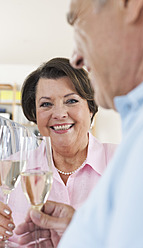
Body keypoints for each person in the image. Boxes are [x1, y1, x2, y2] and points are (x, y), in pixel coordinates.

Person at [15, 0, 143, 247]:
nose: (77, 57)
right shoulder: (14, 168)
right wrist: (77, 233)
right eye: (46, 104)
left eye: (79, 23)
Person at [0, 57, 116, 244]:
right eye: (46, 104)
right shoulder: (9, 173)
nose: (60, 114)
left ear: (91, 109)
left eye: (71, 100)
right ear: (34, 115)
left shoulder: (125, 164)